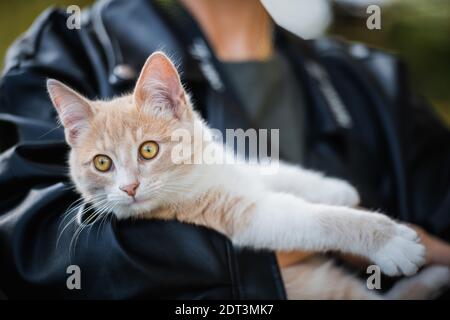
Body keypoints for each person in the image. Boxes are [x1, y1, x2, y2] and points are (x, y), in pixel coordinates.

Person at [0, 0, 449, 299]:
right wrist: (244, 256)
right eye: (103, 163)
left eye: (146, 154)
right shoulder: (71, 44)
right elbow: (23, 240)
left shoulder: (374, 83)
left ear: (174, 104)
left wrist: (427, 248)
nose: (129, 183)